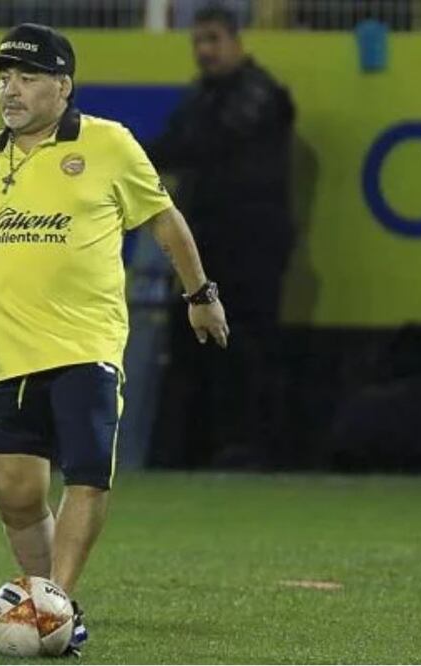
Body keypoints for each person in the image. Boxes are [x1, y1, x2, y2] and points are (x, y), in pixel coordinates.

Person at [0, 23, 228, 656]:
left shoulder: (107, 145)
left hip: (87, 346)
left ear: (63, 86)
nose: (11, 92)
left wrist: (200, 294)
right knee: (15, 495)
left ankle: (56, 607)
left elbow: (164, 220)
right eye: (4, 79)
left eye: (26, 79)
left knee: (86, 475)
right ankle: (49, 604)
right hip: (4, 355)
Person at [148, 5, 296, 470]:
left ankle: (247, 450)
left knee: (247, 352)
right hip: (206, 247)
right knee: (198, 354)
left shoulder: (260, 95)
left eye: (212, 40)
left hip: (251, 248)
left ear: (237, 40)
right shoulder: (202, 97)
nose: (204, 51)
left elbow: (197, 146)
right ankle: (197, 450)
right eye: (198, 42)